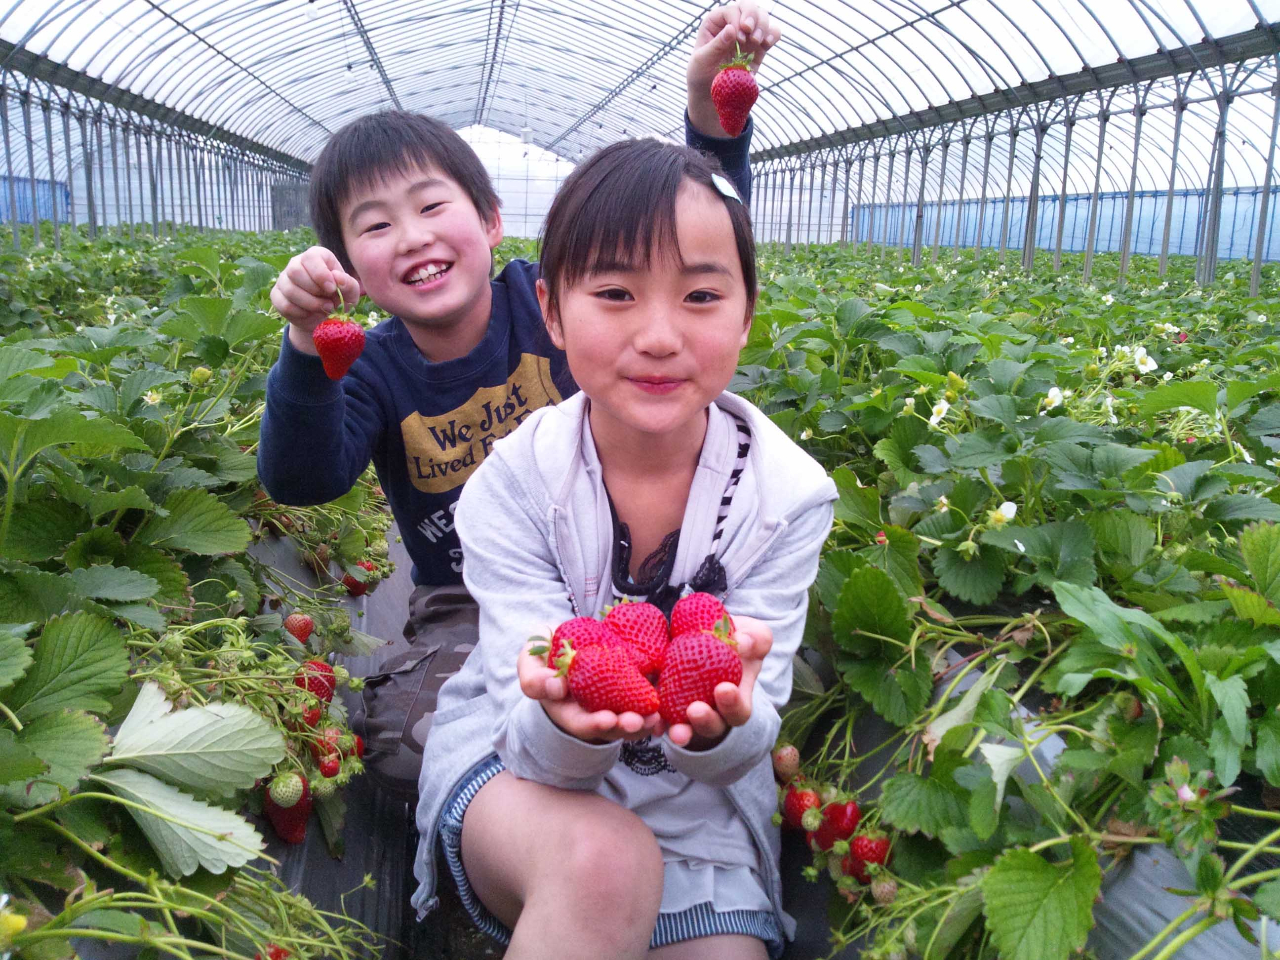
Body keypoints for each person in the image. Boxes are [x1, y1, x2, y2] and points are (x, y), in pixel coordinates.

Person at [256, 5, 781, 793]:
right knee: (403, 742)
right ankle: (543, 786)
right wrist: (307, 344)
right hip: (466, 600)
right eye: (375, 225)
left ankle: (602, 755)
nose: (412, 236)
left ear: (492, 221)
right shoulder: (369, 369)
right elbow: (302, 480)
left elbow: (689, 241)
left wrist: (713, 125)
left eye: (432, 206)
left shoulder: (550, 303)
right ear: (348, 266)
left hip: (620, 573)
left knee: (739, 687)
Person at [411, 137, 837, 959]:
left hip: (702, 817)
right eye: (615, 293)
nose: (659, 335)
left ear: (748, 313)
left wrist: (722, 727)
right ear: (552, 310)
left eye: (702, 295)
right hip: (521, 777)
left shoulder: (786, 498)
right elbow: (527, 722)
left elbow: (748, 736)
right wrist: (567, 720)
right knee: (603, 865)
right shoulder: (514, 484)